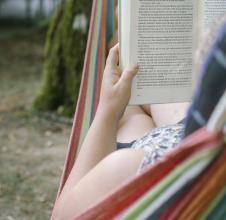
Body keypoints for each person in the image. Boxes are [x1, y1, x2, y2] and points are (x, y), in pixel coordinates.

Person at [51, 44, 191, 219]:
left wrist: (107, 110)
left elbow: (63, 217)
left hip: (166, 149)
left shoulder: (128, 168)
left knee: (132, 110)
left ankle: (118, 36)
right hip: (198, 135)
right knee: (147, 95)